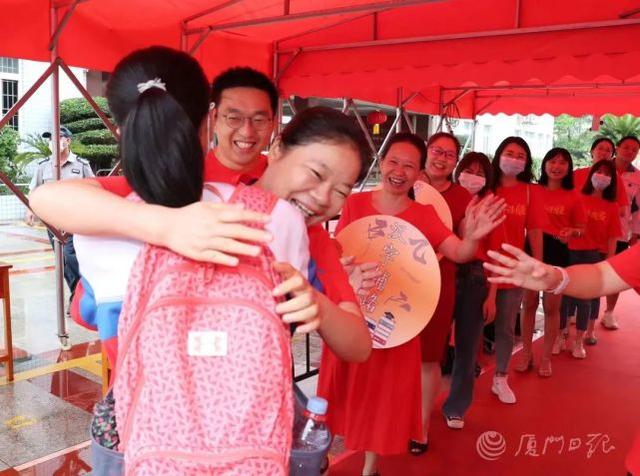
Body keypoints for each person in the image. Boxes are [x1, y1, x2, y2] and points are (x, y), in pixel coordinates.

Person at [30, 51, 371, 366]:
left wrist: (318, 303)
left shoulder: (298, 227)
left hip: (230, 403)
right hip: (161, 405)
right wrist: (167, 226)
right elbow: (51, 199)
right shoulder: (182, 184)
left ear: (272, 130)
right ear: (211, 120)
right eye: (234, 116)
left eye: (342, 190)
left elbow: (358, 345)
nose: (323, 197)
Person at [326, 132, 505, 476]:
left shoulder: (424, 214)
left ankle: (370, 466)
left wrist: (472, 237)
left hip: (396, 322)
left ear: (419, 173)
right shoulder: (355, 203)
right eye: (393, 161)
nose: (399, 170)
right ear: (381, 161)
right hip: (354, 313)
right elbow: (338, 249)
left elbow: (458, 252)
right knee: (344, 384)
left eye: (409, 165)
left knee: (381, 391)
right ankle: (323, 450)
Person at [418, 132, 472, 440]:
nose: (441, 158)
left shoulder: (462, 196)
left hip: (440, 279)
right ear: (427, 151)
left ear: (455, 162)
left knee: (429, 357)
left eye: (449, 155)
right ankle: (396, 416)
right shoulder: (407, 183)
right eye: (436, 150)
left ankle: (421, 427)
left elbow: (464, 243)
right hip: (399, 279)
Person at [484, 136, 545, 404]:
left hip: (512, 270)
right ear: (499, 155)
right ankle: (465, 374)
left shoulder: (529, 191)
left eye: (521, 156)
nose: (515, 159)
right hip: (479, 267)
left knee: (507, 328)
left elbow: (534, 230)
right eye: (510, 153)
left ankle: (500, 377)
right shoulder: (486, 187)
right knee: (472, 326)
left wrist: (538, 268)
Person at [514, 148, 585, 376]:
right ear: (544, 165)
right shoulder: (532, 190)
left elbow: (581, 229)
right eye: (553, 161)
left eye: (563, 163)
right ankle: (526, 354)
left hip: (557, 252)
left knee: (552, 308)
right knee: (529, 303)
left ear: (568, 168)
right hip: (532, 249)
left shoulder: (573, 195)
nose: (557, 166)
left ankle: (546, 358)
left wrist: (571, 232)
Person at [442, 151, 494, 429]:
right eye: (468, 170)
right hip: (444, 272)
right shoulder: (445, 198)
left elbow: (496, 252)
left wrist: (493, 295)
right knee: (431, 345)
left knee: (466, 345)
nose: (472, 177)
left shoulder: (491, 205)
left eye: (480, 172)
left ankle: (457, 406)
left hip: (475, 276)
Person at [26, 125, 94, 307]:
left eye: (58, 138)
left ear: (68, 141)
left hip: (76, 220)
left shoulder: (81, 165)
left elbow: (95, 188)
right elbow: (34, 190)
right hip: (52, 222)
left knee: (70, 255)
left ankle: (81, 299)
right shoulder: (43, 166)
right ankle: (78, 296)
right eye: (50, 139)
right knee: (63, 261)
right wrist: (30, 210)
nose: (53, 142)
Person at [603, 135, 640, 329]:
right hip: (596, 228)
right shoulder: (602, 169)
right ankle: (580, 310)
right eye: (626, 147)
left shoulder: (637, 177)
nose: (630, 152)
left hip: (620, 232)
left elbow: (639, 209)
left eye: (634, 150)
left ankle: (609, 312)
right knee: (588, 265)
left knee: (615, 274)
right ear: (617, 147)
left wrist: (635, 234)